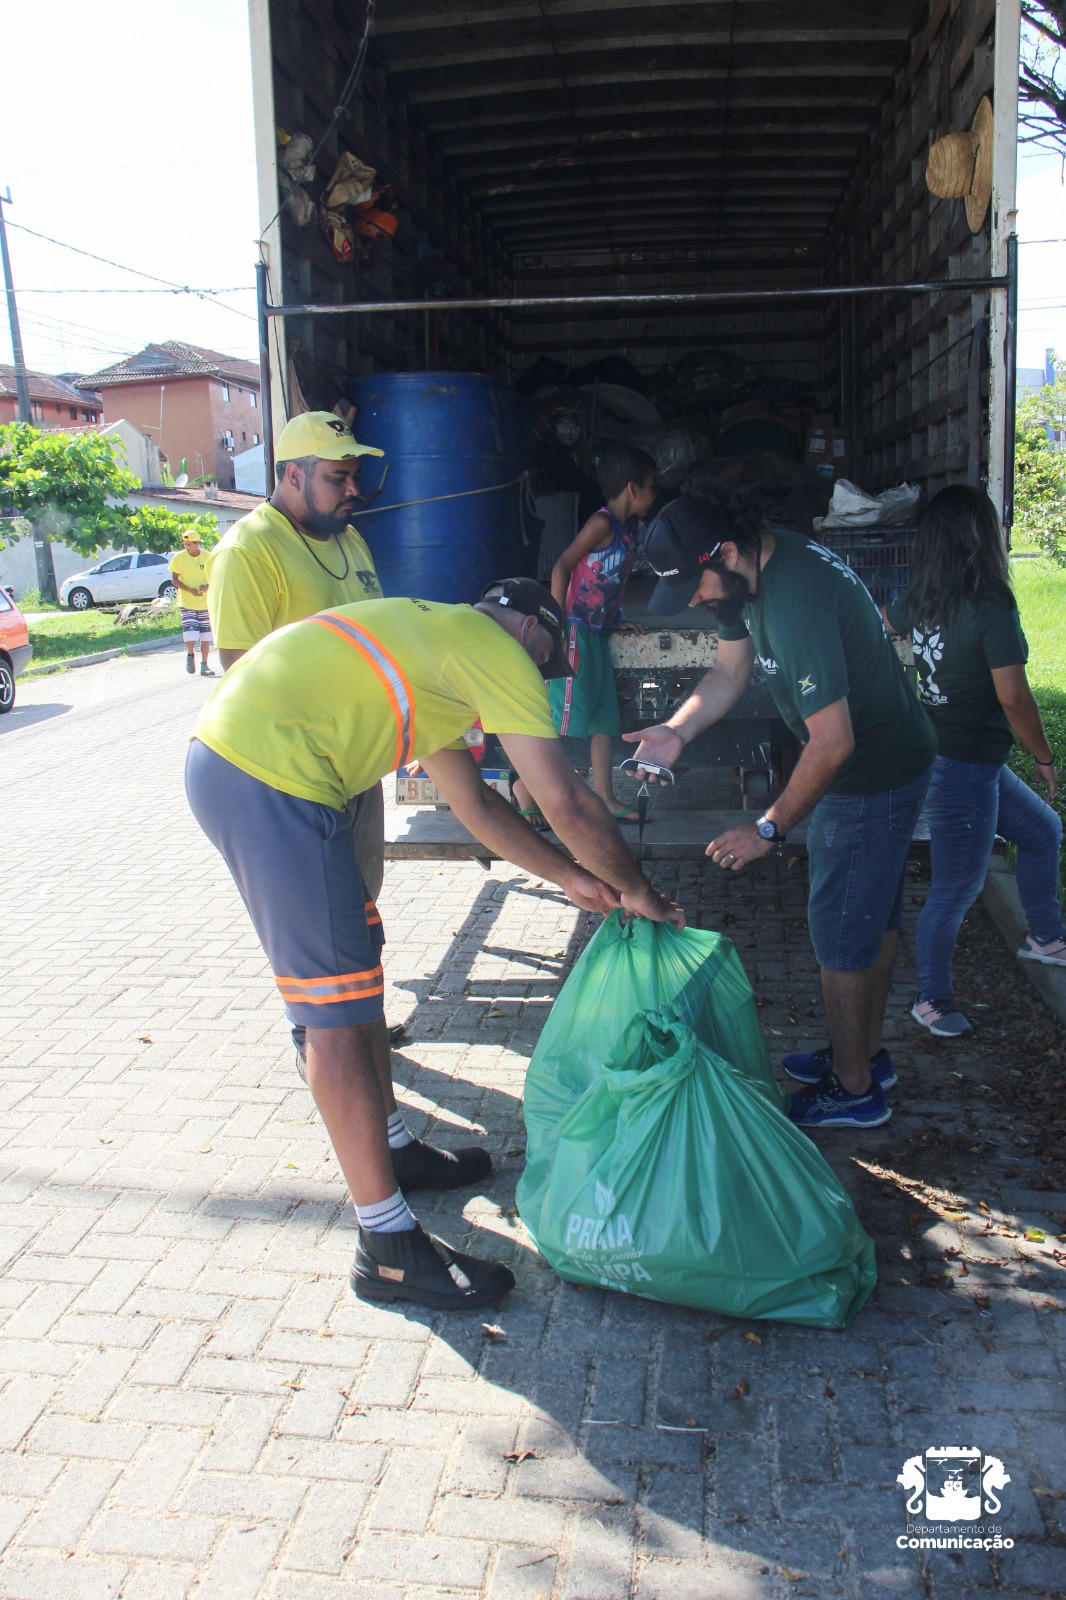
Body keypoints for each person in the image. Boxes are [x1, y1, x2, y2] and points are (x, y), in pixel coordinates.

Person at [185, 577, 684, 1311]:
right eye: (542, 665)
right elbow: (568, 800)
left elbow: (477, 805)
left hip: (268, 766)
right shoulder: (493, 649)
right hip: (269, 776)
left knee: (359, 979)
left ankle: (391, 1145)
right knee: (333, 1013)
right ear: (527, 632)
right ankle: (386, 1246)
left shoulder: (440, 654)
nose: (534, 687)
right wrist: (638, 890)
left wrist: (569, 879)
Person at [626, 492, 936, 1129]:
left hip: (868, 775)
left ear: (728, 552)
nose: (691, 601)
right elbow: (728, 670)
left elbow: (833, 743)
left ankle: (854, 1092)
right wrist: (677, 732)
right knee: (871, 919)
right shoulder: (751, 577)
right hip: (883, 761)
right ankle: (866, 1057)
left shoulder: (792, 604)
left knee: (842, 932)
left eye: (694, 584)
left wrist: (768, 827)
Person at [205, 411, 404, 1045]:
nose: (353, 490)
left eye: (354, 476)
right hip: (291, 776)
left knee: (358, 906)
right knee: (314, 920)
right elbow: (243, 678)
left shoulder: (349, 541)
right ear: (292, 476)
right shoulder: (249, 551)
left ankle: (358, 1026)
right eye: (339, 478)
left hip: (355, 766)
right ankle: (316, 1040)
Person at [883, 485, 1065, 1038]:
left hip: (961, 759)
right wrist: (1044, 755)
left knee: (1041, 830)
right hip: (961, 767)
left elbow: (882, 628)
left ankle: (1045, 938)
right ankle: (931, 998)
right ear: (980, 536)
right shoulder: (991, 604)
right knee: (956, 889)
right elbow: (1014, 698)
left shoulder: (924, 596)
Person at [512, 446, 657, 829]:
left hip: (597, 632)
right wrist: (554, 624)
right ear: (632, 488)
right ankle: (526, 788)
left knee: (606, 718)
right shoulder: (602, 523)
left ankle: (605, 798)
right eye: (651, 488)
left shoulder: (629, 531)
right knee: (561, 719)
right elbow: (562, 565)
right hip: (574, 630)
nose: (654, 495)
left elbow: (608, 582)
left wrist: (616, 618)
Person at [169, 530, 215, 677]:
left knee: (205, 635)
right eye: (185, 544)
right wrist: (189, 590)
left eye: (189, 544)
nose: (187, 547)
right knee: (190, 632)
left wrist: (206, 586)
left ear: (197, 544)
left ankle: (205, 664)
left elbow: (215, 575)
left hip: (204, 602)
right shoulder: (179, 558)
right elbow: (174, 580)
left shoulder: (208, 557)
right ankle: (190, 655)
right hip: (187, 601)